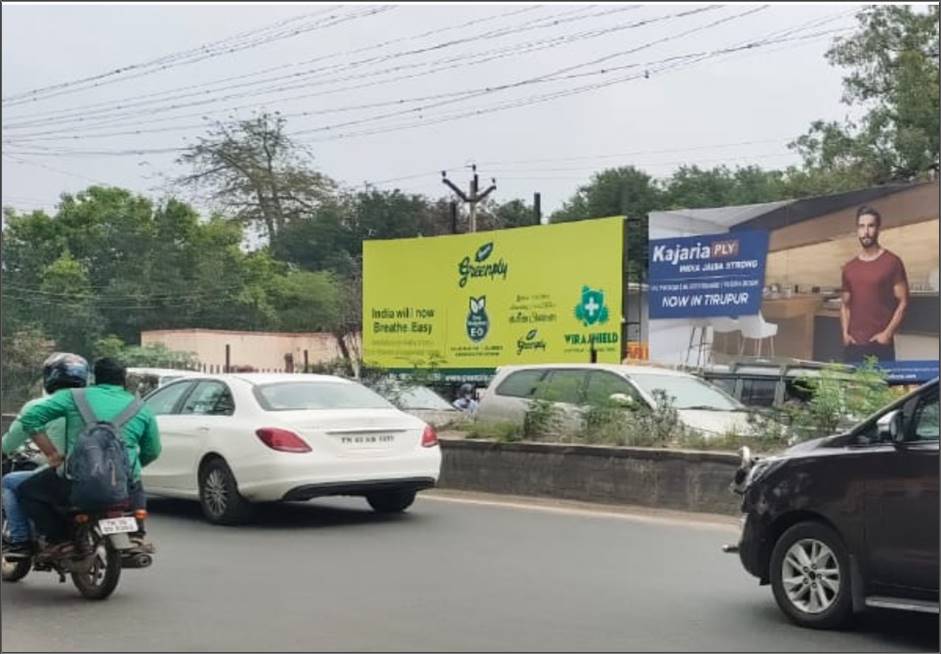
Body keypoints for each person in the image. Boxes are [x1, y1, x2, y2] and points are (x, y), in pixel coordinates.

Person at [15, 358, 161, 557]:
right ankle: (136, 534)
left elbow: (31, 418)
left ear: (93, 378)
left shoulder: (73, 397)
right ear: (123, 380)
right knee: (134, 479)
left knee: (26, 491)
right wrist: (128, 467)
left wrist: (52, 454)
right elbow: (153, 451)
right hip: (124, 485)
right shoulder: (141, 407)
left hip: (76, 480)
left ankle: (60, 540)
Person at [1, 353, 89, 559]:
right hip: (100, 473)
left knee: (10, 482)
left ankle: (20, 541)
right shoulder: (93, 404)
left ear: (50, 377)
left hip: (62, 473)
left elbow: (10, 442)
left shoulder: (38, 406)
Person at [841, 206, 909, 363]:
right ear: (857, 230)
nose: (865, 232)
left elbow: (903, 302)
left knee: (880, 387)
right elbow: (845, 305)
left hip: (879, 344)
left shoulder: (892, 262)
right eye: (861, 226)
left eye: (870, 226)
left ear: (878, 229)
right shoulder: (849, 267)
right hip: (853, 345)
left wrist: (887, 334)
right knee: (851, 387)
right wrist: (845, 333)